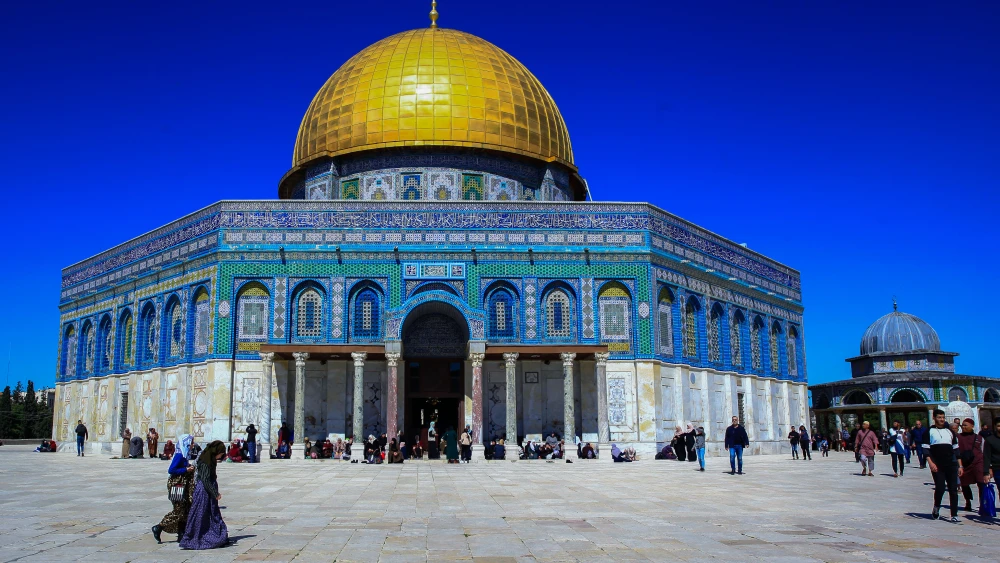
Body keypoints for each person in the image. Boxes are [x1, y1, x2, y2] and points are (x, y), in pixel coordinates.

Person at [179, 440, 229, 549]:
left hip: (207, 491)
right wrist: (215, 493)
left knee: (210, 513)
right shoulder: (206, 461)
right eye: (221, 454)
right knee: (201, 514)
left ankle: (216, 535)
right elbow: (205, 480)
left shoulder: (209, 459)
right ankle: (201, 537)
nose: (221, 456)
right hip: (204, 492)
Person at [152, 434, 195, 544]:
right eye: (191, 443)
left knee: (185, 510)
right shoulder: (179, 455)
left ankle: (181, 534)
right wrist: (186, 469)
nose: (193, 445)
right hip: (176, 485)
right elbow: (171, 470)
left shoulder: (184, 454)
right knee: (178, 510)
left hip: (182, 485)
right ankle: (159, 527)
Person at [923, 409, 962, 522]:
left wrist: (960, 466)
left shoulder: (950, 432)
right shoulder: (929, 431)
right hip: (937, 464)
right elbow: (926, 450)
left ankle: (954, 514)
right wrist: (931, 463)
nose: (941, 419)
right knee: (940, 488)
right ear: (934, 418)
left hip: (951, 464)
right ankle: (936, 506)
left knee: (953, 489)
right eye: (939, 417)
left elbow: (956, 450)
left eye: (943, 417)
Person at [958, 418, 985, 512]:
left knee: (981, 483)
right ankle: (968, 501)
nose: (963, 427)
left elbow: (983, 451)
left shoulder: (979, 438)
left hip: (978, 462)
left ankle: (982, 503)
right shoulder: (958, 437)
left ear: (972, 426)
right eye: (962, 425)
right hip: (964, 464)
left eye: (966, 425)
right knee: (964, 484)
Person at [983, 419, 1000, 505]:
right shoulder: (990, 440)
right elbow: (986, 457)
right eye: (999, 426)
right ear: (995, 427)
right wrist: (986, 472)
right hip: (997, 468)